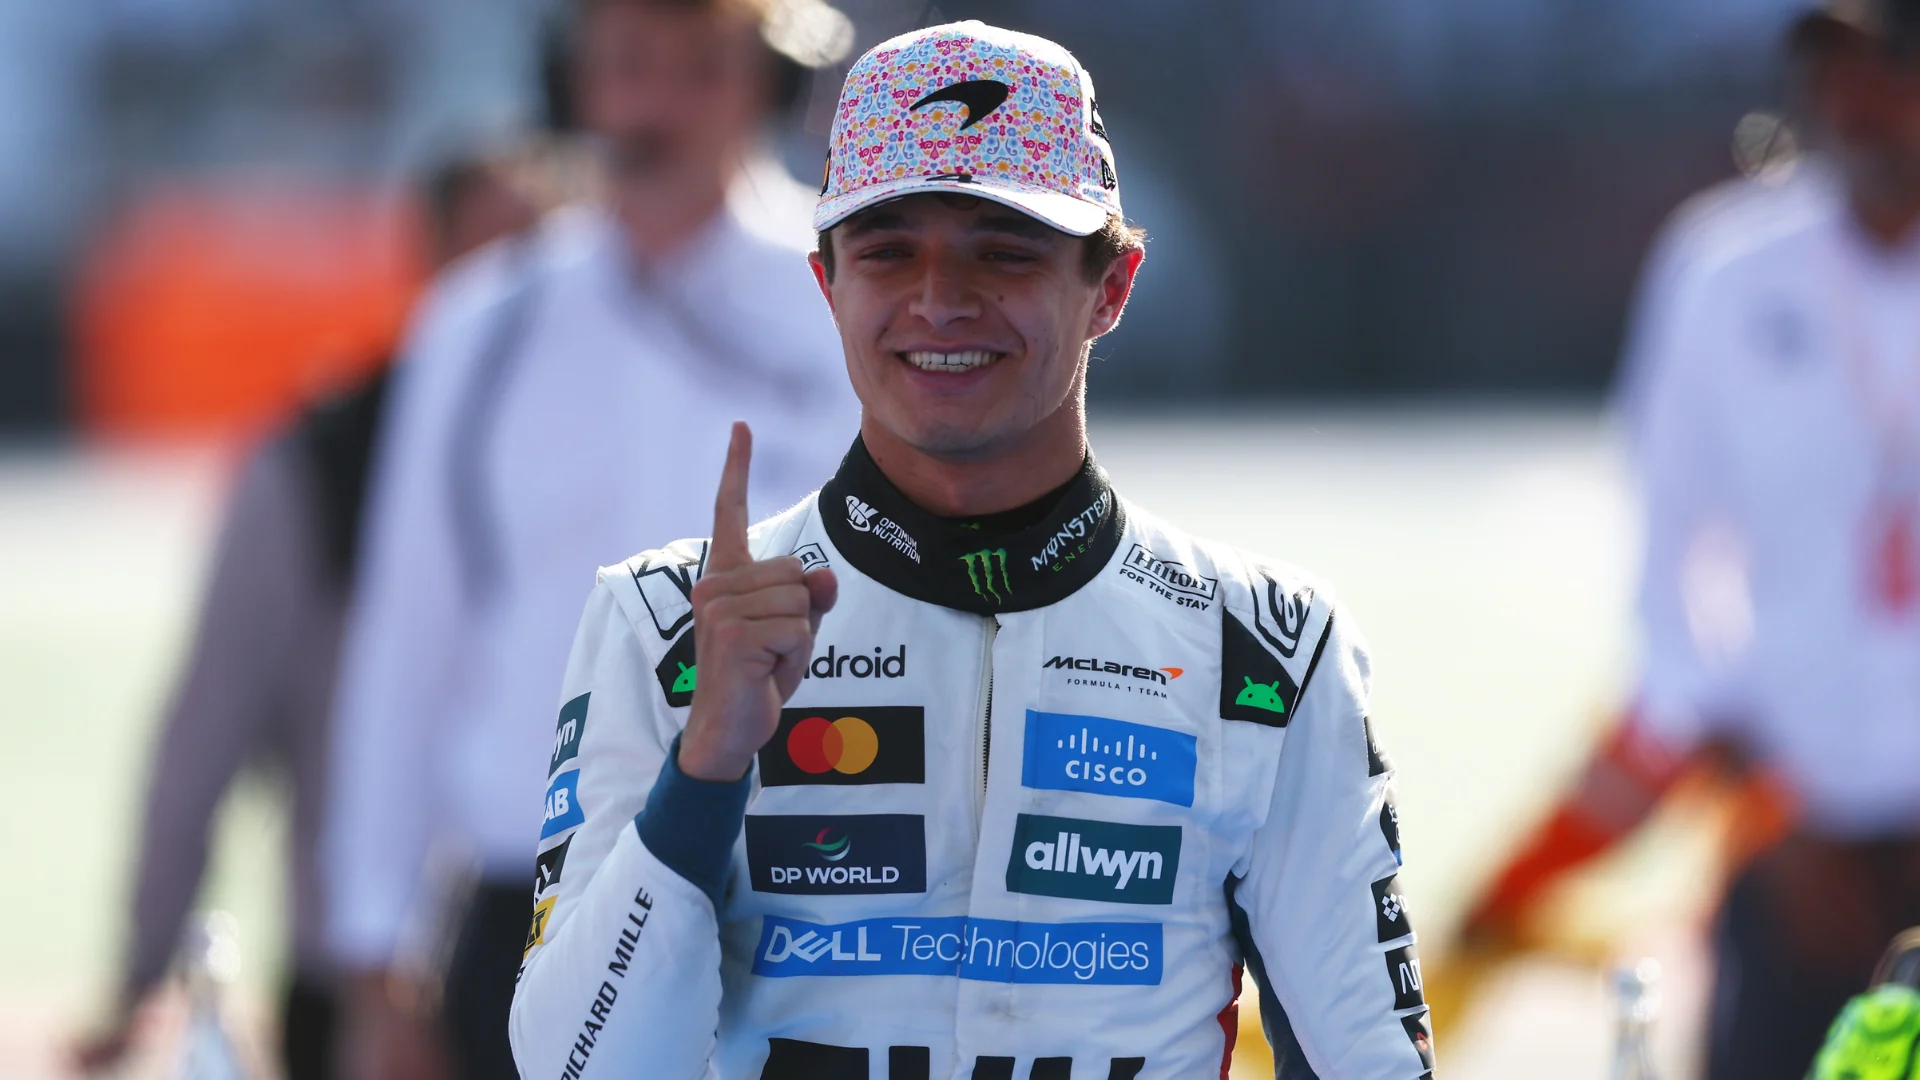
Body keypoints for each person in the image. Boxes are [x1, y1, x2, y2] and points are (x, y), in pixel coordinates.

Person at [508, 21, 1433, 1080]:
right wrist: (707, 765)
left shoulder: (1268, 651)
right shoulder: (664, 624)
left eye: (1004, 251)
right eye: (890, 250)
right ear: (829, 284)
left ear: (1113, 286)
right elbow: (575, 1069)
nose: (940, 300)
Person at [320, 1, 861, 1078]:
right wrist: (377, 964)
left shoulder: (857, 291)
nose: (656, 104)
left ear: (769, 85)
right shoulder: (478, 324)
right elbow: (407, 641)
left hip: (801, 892)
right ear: (573, 84)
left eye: (700, 69)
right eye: (627, 66)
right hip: (526, 898)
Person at [1461, 2, 1920, 1077]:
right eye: (1829, 66)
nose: (1853, 100)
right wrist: (1767, 805)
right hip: (1792, 853)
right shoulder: (1723, 272)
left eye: (1889, 65)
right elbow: (1671, 589)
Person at [66, 151, 538, 1080]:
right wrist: (139, 973)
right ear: (432, 265)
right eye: (494, 265)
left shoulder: (623, 454)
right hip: (369, 980)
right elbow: (204, 737)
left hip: (597, 964)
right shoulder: (311, 470)